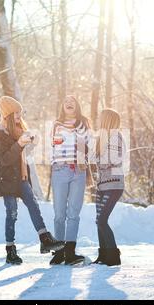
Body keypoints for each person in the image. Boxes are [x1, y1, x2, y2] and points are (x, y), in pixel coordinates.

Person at [0, 96, 64, 265]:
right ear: (8, 115)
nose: (19, 116)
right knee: (12, 213)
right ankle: (10, 249)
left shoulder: (19, 130)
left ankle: (45, 239)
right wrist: (20, 144)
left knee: (34, 206)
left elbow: (23, 155)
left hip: (21, 178)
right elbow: (4, 160)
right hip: (7, 181)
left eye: (20, 112)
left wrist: (31, 144)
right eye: (16, 113)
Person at [49, 95, 93, 265]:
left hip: (78, 171)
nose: (68, 103)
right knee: (59, 213)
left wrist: (80, 126)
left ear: (77, 106)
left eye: (72, 101)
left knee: (73, 213)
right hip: (60, 169)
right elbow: (56, 144)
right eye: (65, 101)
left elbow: (87, 143)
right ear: (62, 106)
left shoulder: (84, 124)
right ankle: (59, 252)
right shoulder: (57, 125)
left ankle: (70, 252)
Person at [93, 109, 124, 266]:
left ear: (107, 120)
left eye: (100, 118)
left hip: (114, 185)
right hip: (102, 185)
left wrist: (96, 160)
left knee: (102, 220)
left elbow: (109, 160)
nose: (98, 120)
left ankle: (113, 256)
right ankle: (103, 256)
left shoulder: (116, 137)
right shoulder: (101, 139)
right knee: (99, 220)